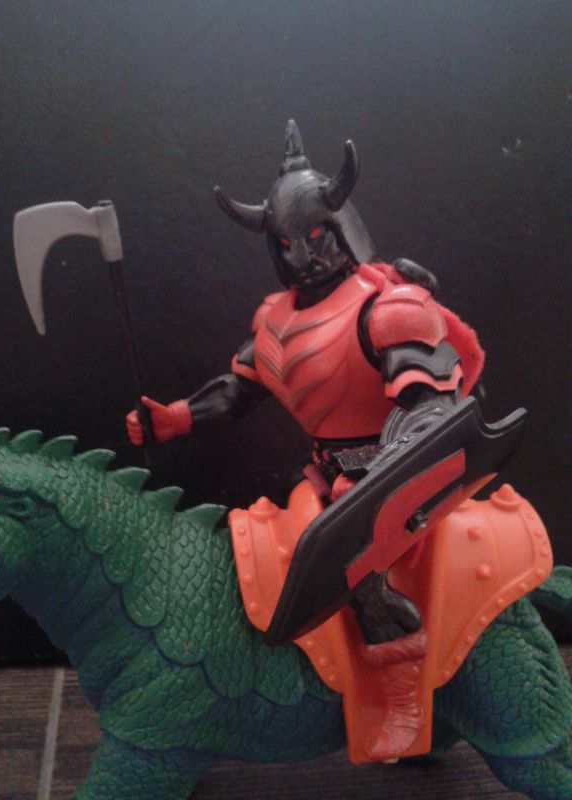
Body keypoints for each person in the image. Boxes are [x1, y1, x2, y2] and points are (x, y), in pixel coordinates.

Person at [127, 119, 484, 655]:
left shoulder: (389, 307)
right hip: (323, 476)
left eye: (315, 239)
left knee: (357, 574)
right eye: (285, 244)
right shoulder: (275, 320)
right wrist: (175, 417)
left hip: (388, 481)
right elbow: (239, 389)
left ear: (341, 228)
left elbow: (433, 408)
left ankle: (397, 669)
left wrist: (392, 467)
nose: (302, 258)